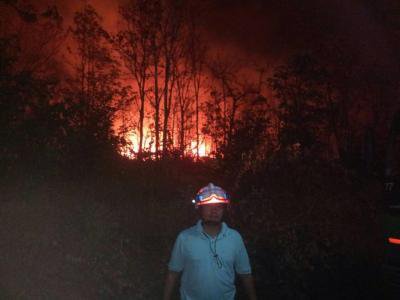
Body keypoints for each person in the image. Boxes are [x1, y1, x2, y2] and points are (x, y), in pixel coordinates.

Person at [163, 183, 257, 300]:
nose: (214, 211)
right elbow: (173, 273)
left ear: (224, 210)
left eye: (218, 207)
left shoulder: (234, 237)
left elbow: (245, 274)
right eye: (208, 207)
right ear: (200, 209)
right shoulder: (185, 238)